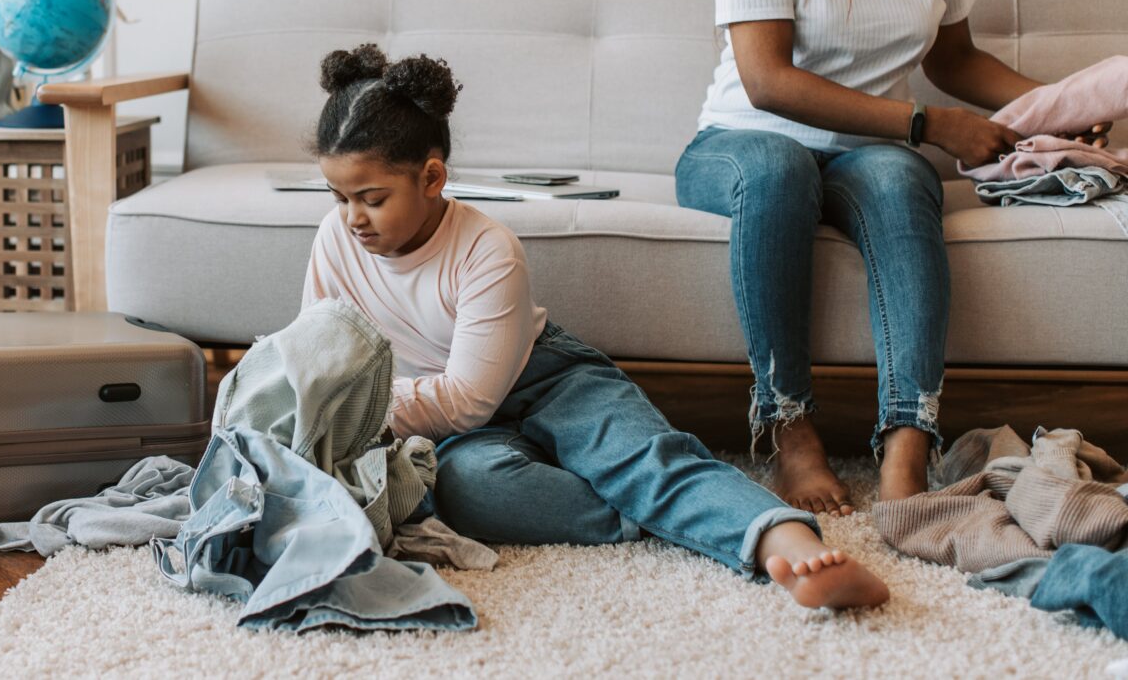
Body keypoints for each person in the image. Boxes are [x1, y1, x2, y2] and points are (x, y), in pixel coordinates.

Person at [674, 0, 1109, 515]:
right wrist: (924, 125)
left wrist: (1056, 106)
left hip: (864, 150)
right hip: (744, 140)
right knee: (777, 170)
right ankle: (789, 433)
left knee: (905, 180)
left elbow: (955, 59)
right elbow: (768, 80)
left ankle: (907, 449)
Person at [302, 42, 889, 610]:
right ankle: (656, 513)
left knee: (642, 458)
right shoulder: (336, 238)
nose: (353, 218)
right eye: (338, 197)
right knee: (469, 489)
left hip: (547, 380)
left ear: (432, 178)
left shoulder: (486, 248)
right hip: (452, 428)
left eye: (372, 198)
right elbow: (320, 352)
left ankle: (783, 540)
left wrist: (355, 405)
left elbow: (465, 400)